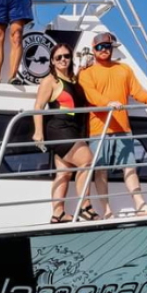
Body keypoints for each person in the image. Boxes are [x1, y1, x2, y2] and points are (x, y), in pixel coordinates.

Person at [78, 32, 147, 218]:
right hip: (99, 129)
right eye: (100, 47)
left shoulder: (124, 69)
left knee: (130, 167)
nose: (104, 50)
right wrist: (107, 103)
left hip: (123, 128)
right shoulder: (86, 73)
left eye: (107, 46)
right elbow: (91, 95)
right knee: (100, 171)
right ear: (93, 49)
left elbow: (137, 91)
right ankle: (106, 210)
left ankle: (140, 205)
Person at [33, 42, 102, 223]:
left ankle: (58, 213)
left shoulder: (73, 78)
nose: (63, 59)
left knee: (64, 172)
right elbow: (38, 106)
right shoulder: (50, 80)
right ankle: (85, 206)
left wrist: (84, 68)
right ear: (52, 61)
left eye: (66, 56)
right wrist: (38, 132)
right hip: (59, 128)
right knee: (87, 160)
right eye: (58, 57)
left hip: (74, 129)